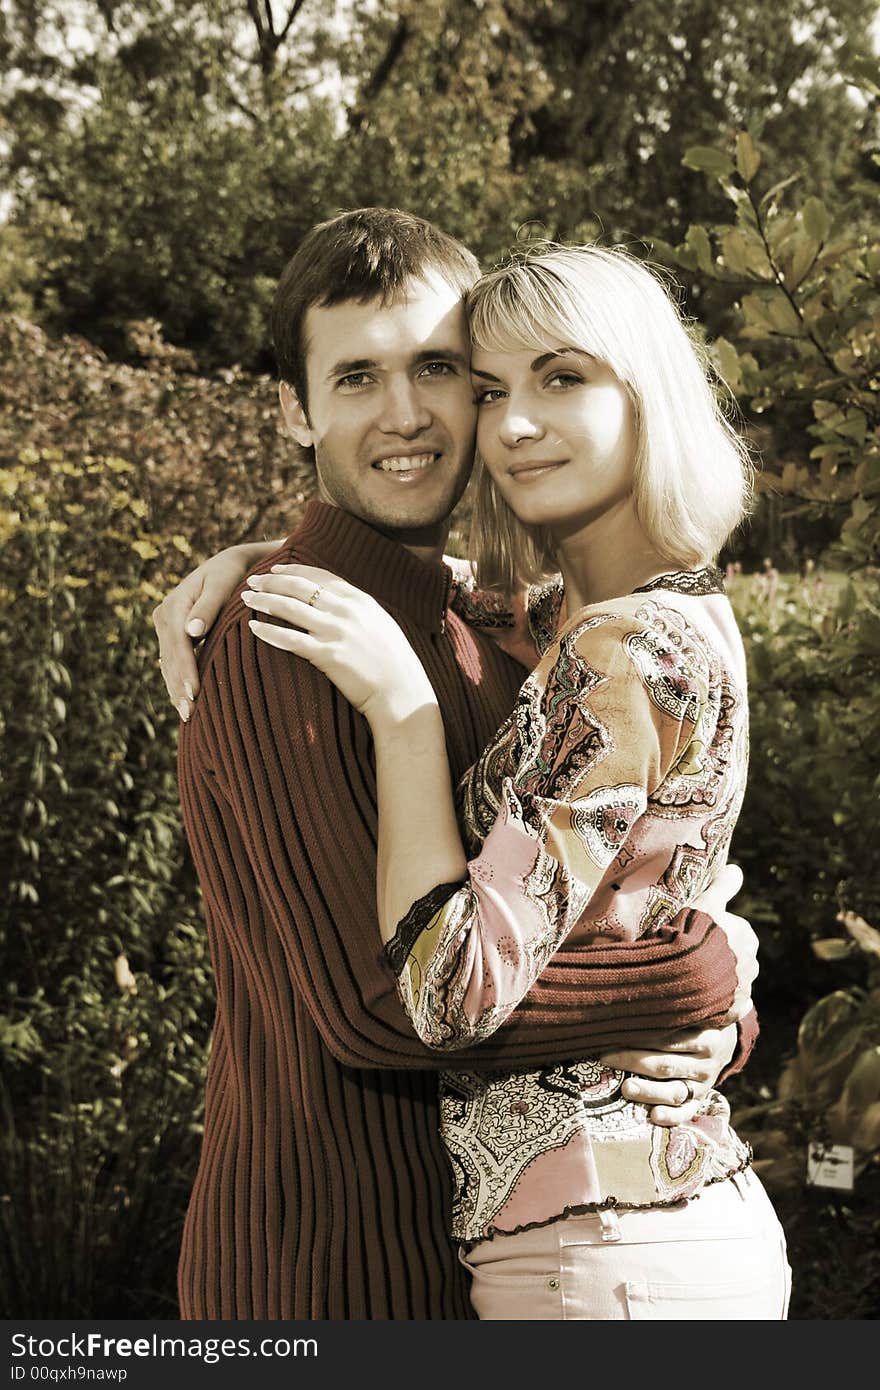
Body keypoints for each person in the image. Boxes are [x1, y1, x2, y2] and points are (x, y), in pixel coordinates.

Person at [154, 209, 759, 1321]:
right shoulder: (278, 645)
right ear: (295, 409)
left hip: (522, 1249)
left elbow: (615, 883)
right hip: (329, 1274)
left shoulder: (509, 624)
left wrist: (723, 995)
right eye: (355, 378)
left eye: (441, 368)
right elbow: (383, 1008)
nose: (407, 414)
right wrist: (695, 981)